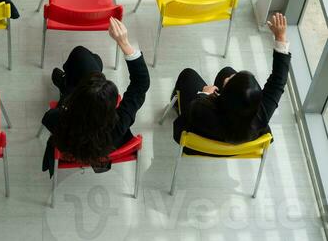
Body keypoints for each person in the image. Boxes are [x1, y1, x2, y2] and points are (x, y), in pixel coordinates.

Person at [41, 18, 150, 176]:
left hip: (69, 105)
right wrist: (124, 43)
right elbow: (141, 84)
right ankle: (70, 79)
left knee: (82, 56)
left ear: (77, 98)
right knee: (93, 61)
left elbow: (48, 117)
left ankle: (66, 84)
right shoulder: (119, 125)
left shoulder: (58, 119)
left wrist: (65, 105)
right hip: (104, 143)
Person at [170, 13, 290, 146]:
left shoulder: (201, 111)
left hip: (197, 144)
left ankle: (175, 102)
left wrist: (204, 94)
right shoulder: (262, 112)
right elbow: (278, 82)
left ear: (224, 98)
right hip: (242, 144)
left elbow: (189, 113)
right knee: (226, 71)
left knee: (188, 75)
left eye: (229, 82)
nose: (227, 79)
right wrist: (280, 37)